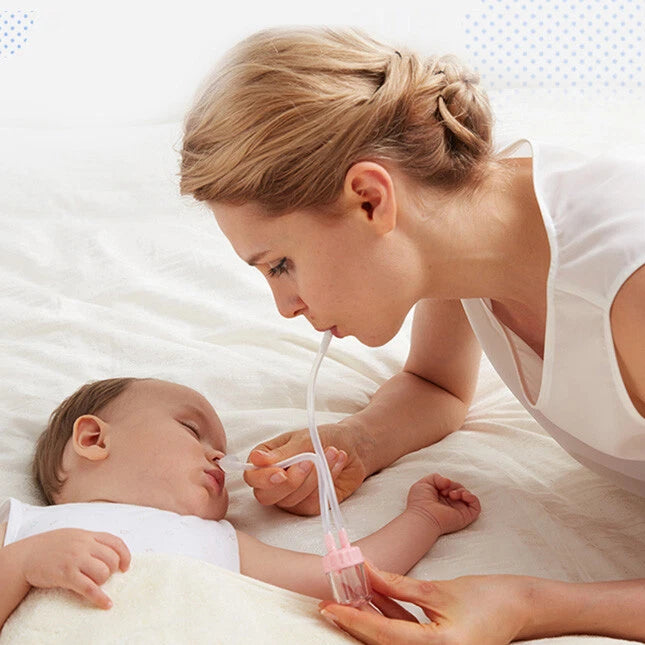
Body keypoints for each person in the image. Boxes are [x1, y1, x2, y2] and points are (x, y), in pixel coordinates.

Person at [178, 25, 645, 644]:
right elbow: (437, 385)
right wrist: (355, 445)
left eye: (280, 264)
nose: (286, 307)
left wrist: (529, 606)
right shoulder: (468, 233)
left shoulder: (628, 287)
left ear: (371, 199)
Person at [0, 376, 480, 630]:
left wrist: (424, 519)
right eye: (191, 429)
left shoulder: (217, 541)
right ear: (93, 439)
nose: (218, 455)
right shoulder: (27, 528)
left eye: (219, 446)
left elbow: (343, 578)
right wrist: (22, 562)